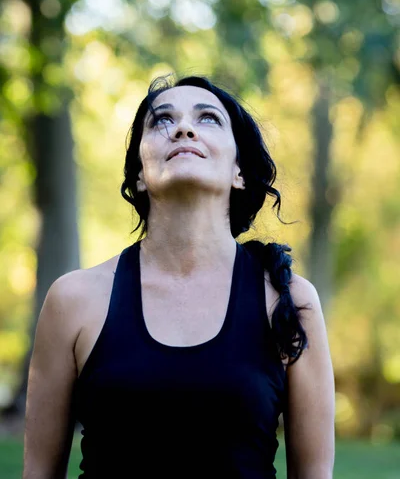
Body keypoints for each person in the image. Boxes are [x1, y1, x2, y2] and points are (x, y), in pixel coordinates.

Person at [23, 74, 335, 479]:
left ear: (238, 170)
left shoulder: (289, 299)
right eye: (162, 121)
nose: (184, 128)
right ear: (138, 173)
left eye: (208, 119)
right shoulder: (73, 299)